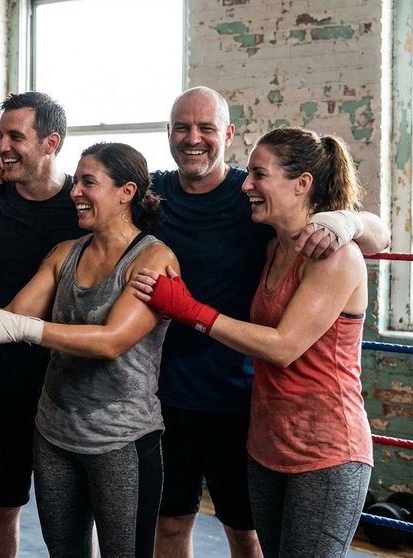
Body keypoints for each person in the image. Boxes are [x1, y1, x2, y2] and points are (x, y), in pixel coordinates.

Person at [132, 127, 374, 558]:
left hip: (325, 450)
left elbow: (283, 347)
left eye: (259, 175)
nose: (245, 185)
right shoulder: (273, 249)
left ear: (302, 184)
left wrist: (191, 311)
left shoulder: (334, 256)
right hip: (267, 444)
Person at [0, 142, 174, 556]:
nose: (75, 192)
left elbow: (110, 342)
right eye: (77, 181)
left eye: (90, 182)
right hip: (54, 433)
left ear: (127, 192)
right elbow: (8, 322)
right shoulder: (66, 253)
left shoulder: (154, 258)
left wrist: (23, 327)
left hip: (120, 439)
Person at [0, 91, 87, 558]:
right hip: (8, 376)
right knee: (3, 504)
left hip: (74, 377)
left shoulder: (87, 204)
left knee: (74, 511)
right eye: (0, 136)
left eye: (16, 136)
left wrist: (331, 218)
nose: (3, 146)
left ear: (51, 142)